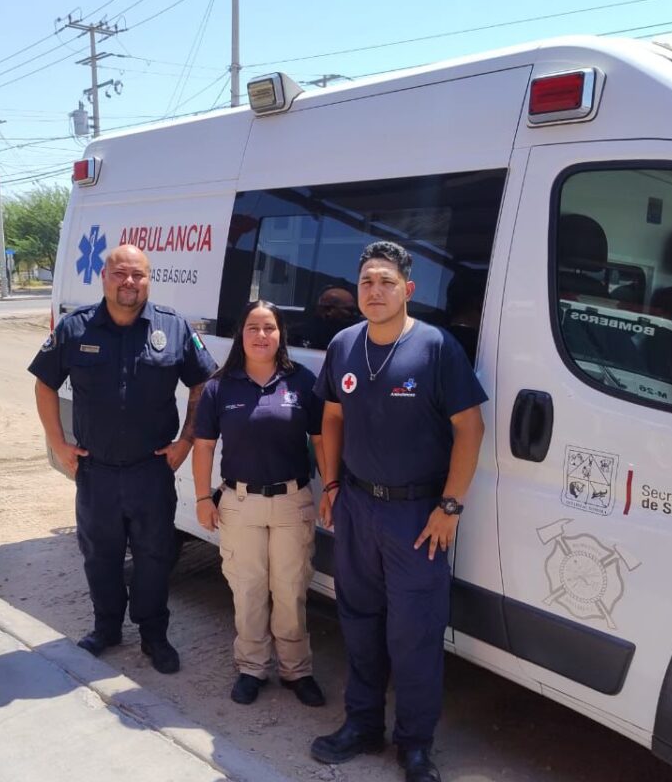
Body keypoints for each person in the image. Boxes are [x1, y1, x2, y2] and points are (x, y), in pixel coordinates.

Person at [310, 241, 486, 782]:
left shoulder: (436, 348)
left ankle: (414, 745)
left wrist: (450, 506)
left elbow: (469, 429)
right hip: (358, 508)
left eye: (385, 282)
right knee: (359, 625)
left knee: (414, 635)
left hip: (416, 517)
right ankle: (362, 724)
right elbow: (331, 418)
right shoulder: (344, 344)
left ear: (407, 289)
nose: (374, 291)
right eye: (366, 282)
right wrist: (333, 481)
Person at [28, 244, 217, 674]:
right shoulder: (76, 328)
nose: (129, 282)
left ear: (149, 280)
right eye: (121, 274)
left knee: (155, 555)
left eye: (138, 275)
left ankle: (154, 634)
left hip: (152, 470)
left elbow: (203, 383)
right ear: (104, 277)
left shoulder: (172, 326)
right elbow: (43, 384)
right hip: (96, 472)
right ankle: (106, 628)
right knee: (100, 555)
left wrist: (186, 441)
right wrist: (58, 443)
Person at [191, 300, 327, 707]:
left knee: (290, 589)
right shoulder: (220, 386)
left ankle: (296, 670)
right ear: (241, 335)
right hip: (240, 501)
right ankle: (251, 667)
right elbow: (203, 447)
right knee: (248, 589)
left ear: (281, 333)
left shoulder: (302, 382)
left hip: (292, 502)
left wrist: (332, 486)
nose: (262, 336)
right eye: (253, 327)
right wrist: (202, 497)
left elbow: (321, 440)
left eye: (270, 328)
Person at [291, 285, 360, 349]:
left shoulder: (358, 333)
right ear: (328, 310)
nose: (355, 314)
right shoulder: (299, 336)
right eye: (350, 310)